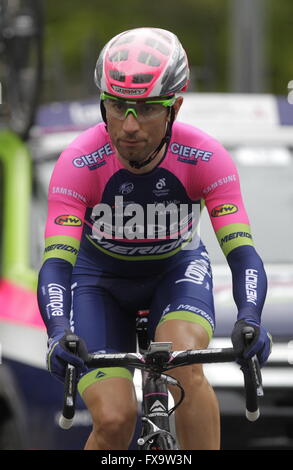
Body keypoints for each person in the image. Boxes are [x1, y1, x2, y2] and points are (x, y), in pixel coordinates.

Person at [37, 27, 272, 450]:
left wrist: (250, 318)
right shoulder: (78, 163)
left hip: (175, 272)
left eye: (145, 109)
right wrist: (57, 331)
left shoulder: (205, 157)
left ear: (174, 107)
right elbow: (56, 264)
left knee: (184, 364)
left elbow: (242, 254)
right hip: (98, 284)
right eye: (117, 106)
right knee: (113, 417)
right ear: (102, 104)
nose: (129, 125)